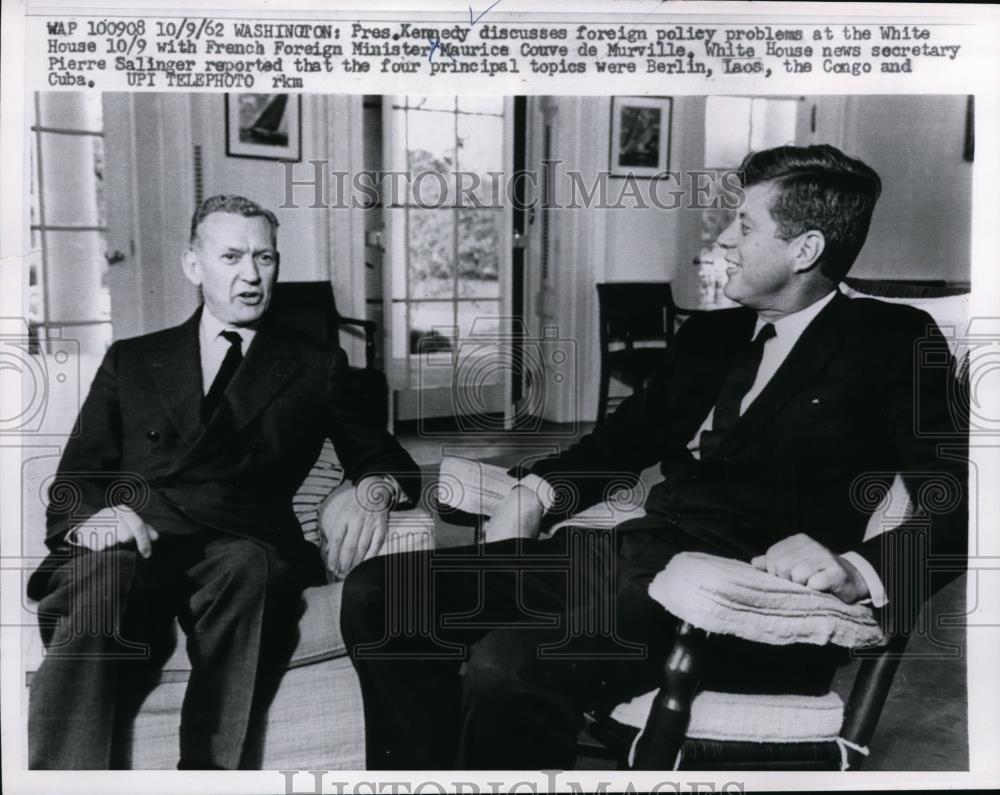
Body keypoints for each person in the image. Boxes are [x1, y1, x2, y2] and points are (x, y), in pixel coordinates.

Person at [342, 144, 968, 770]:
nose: (723, 240)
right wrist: (540, 490)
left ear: (804, 250)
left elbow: (962, 505)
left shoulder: (891, 340)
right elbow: (620, 443)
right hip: (628, 556)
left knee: (509, 665)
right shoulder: (710, 336)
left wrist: (857, 567)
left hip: (735, 598)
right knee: (383, 592)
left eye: (744, 226)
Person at [27, 195, 421, 769]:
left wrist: (372, 490)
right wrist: (96, 517)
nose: (251, 275)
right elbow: (78, 477)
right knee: (100, 578)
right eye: (232, 256)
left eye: (265, 257)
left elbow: (385, 457)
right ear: (194, 265)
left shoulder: (315, 364)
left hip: (242, 542)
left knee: (247, 569)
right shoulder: (134, 359)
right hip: (140, 538)